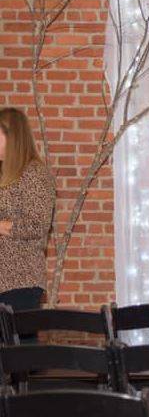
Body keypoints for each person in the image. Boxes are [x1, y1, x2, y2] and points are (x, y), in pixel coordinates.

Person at [0, 108, 55, 341]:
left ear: (13, 136)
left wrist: (1, 226)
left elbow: (37, 225)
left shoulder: (35, 174)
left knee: (19, 360)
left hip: (20, 281)